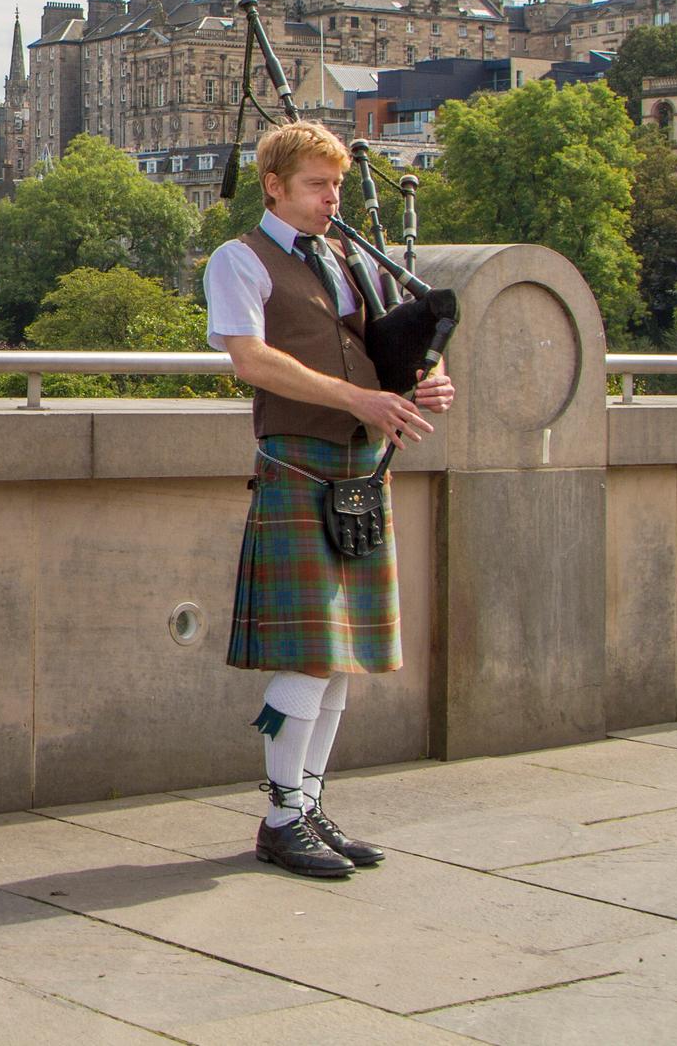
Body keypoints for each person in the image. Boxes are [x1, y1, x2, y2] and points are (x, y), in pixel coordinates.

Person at [203, 122, 455, 877]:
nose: (330, 199)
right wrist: (357, 396)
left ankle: (308, 805)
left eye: (335, 184)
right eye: (316, 185)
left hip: (360, 469)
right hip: (300, 465)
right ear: (274, 185)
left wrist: (417, 386)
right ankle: (280, 817)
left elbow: (382, 354)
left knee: (340, 658)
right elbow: (250, 359)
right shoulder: (238, 260)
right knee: (309, 652)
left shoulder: (346, 260)